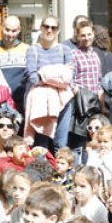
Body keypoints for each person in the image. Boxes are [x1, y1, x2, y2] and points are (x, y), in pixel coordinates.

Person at [24, 16, 74, 150]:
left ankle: (60, 171)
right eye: (46, 26)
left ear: (58, 30)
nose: (50, 30)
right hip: (41, 104)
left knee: (60, 145)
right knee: (41, 146)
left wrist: (43, 74)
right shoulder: (32, 50)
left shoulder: (65, 50)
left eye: (54, 27)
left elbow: (69, 77)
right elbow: (33, 78)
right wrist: (59, 73)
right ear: (41, 28)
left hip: (63, 101)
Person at [0, 16, 29, 111]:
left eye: (14, 30)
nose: (10, 34)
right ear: (2, 27)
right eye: (7, 30)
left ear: (19, 30)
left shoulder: (28, 49)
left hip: (21, 102)